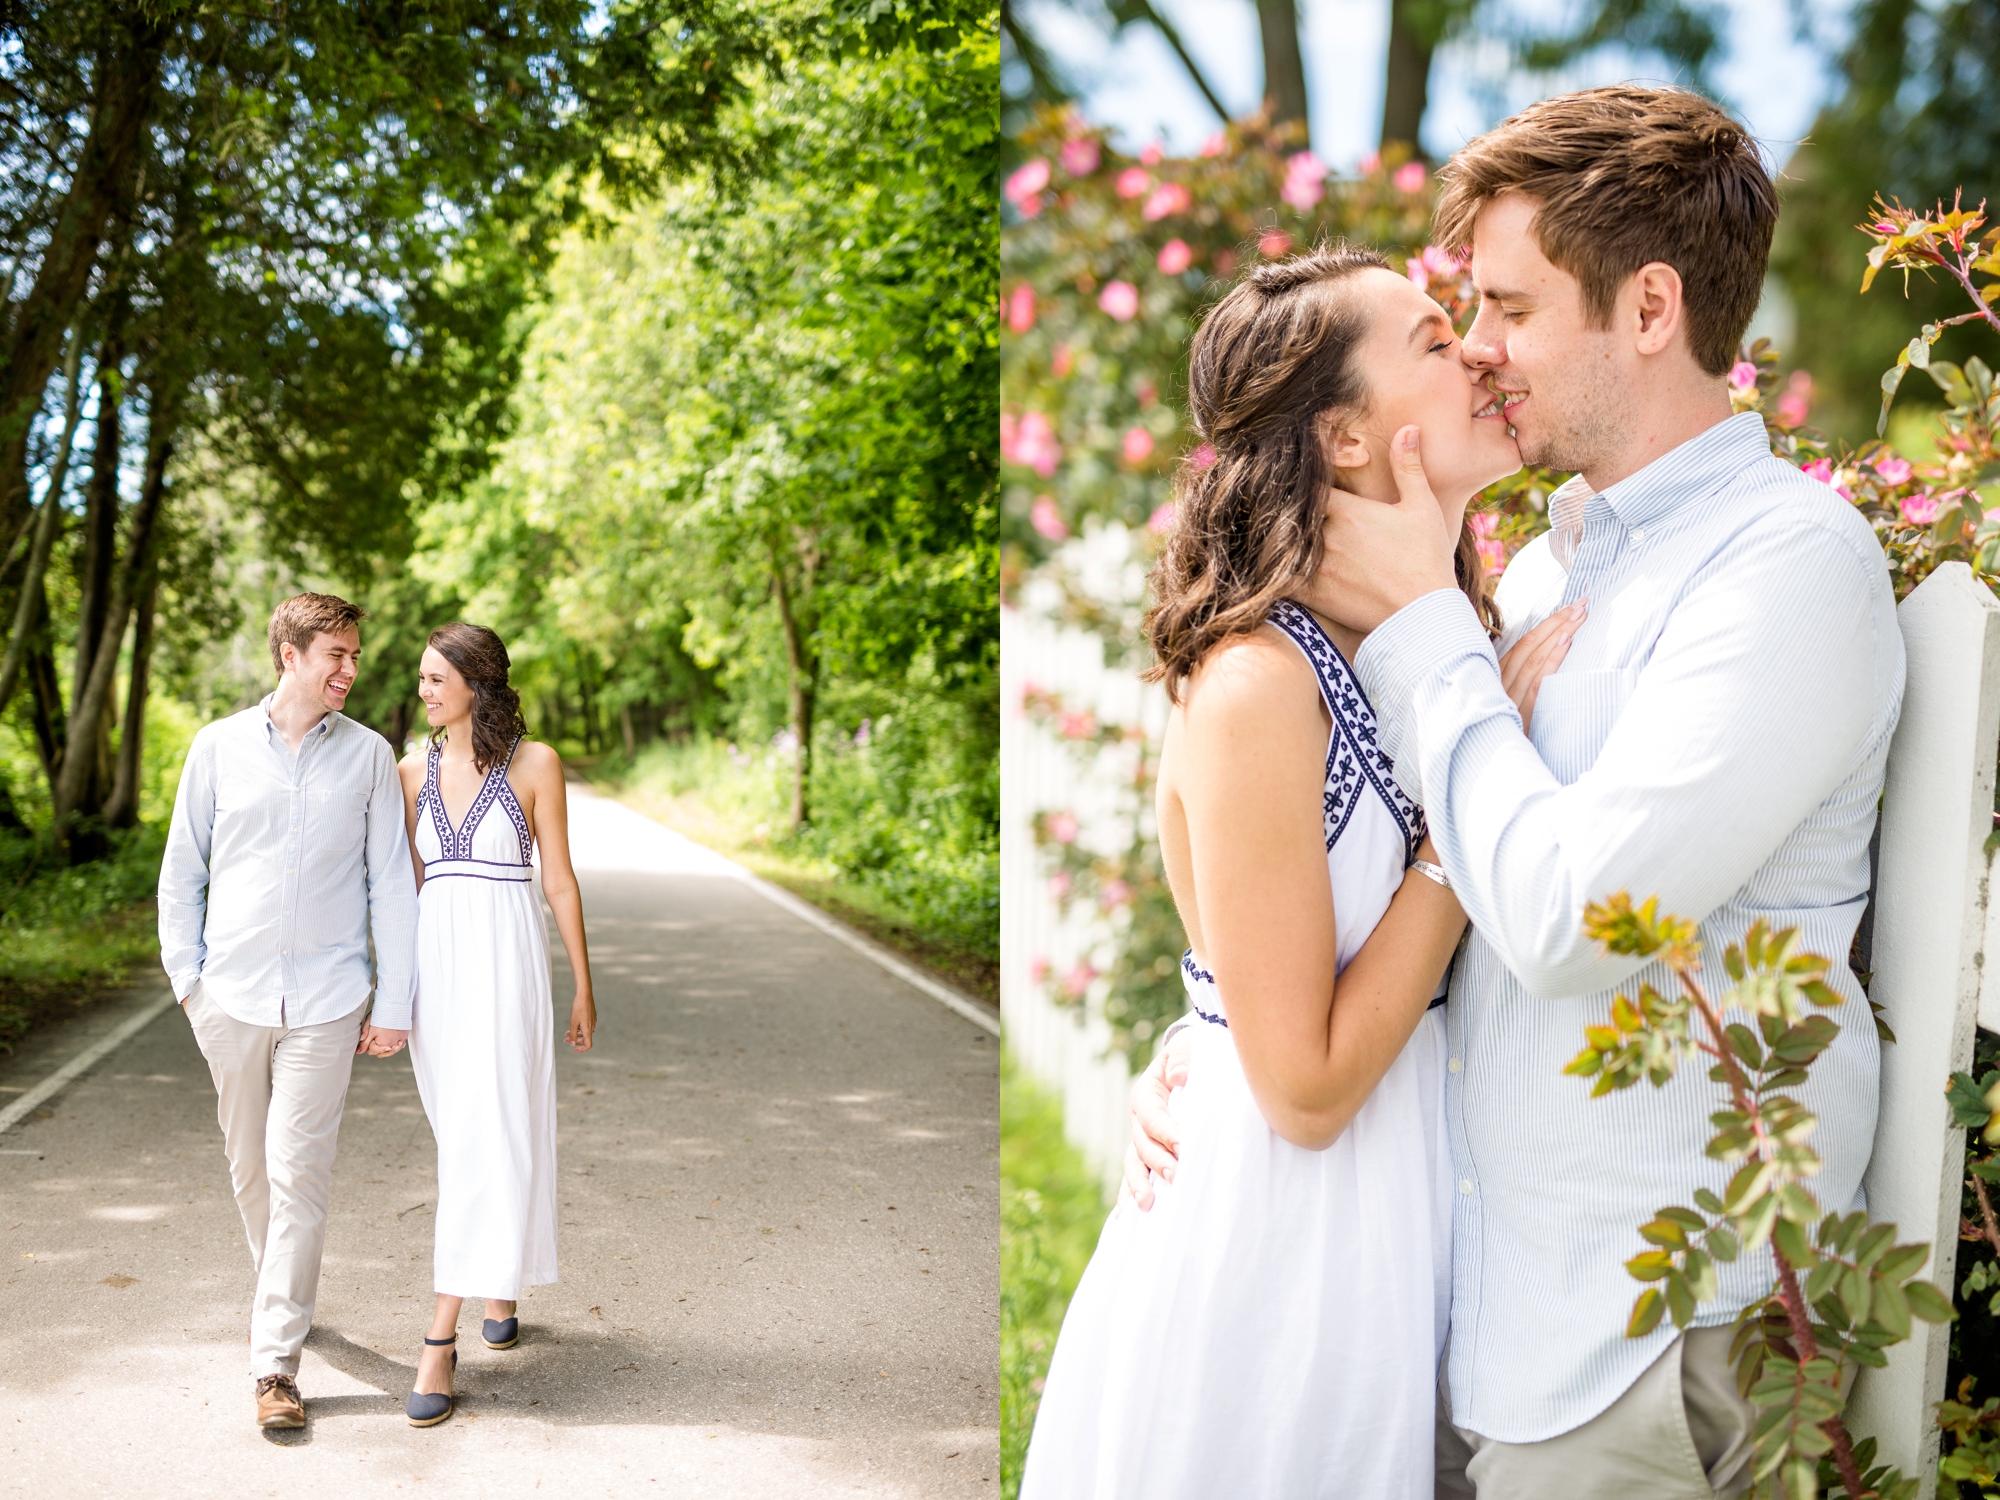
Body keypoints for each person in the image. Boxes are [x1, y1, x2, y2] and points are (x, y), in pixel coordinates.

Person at [1123, 87, 1902, 1499]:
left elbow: (1560, 917)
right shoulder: (1537, 577)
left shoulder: (1785, 568)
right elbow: (1322, 908)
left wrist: (1430, 629)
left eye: (1507, 308)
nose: (1480, 350)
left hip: (1646, 1348)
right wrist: (1200, 1049)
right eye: (1453, 322)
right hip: (1458, 1318)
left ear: (1650, 307)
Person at [1021, 245, 1578, 1498]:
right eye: (1436, 342)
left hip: (1421, 1195)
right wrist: (1451, 845)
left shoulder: (1446, 642)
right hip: (1290, 1237)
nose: (1481, 350)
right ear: (1341, 438)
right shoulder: (1262, 682)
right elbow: (1306, 1087)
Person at [159, 592, 417, 1430]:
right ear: (290, 655)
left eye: (353, 655)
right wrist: (188, 985)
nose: (350, 669)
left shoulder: (371, 756)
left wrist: (395, 999)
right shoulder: (218, 748)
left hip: (328, 998)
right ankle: (288, 1292)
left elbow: (392, 884)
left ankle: (275, 1364)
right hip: (227, 994)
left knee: (299, 1170)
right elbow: (182, 874)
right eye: (335, 655)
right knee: (250, 1170)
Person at [396, 622, 596, 1428]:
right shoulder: (407, 770)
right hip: (436, 975)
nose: (425, 691)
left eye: (437, 678)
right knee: (462, 1135)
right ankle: (497, 1277)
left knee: (490, 1131)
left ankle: (438, 1342)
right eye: (422, 679)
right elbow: (399, 894)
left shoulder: (534, 764)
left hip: (509, 966)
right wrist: (389, 996)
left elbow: (560, 881)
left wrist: (584, 984)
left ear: (477, 682)